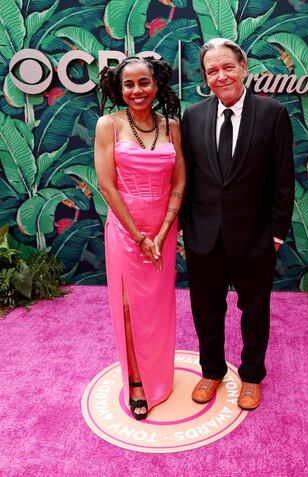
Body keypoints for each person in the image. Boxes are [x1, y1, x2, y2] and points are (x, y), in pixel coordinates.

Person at [181, 38, 294, 410]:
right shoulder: (193, 116)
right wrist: (185, 230)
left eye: (227, 66)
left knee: (255, 310)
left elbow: (283, 180)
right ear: (205, 78)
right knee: (206, 309)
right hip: (203, 236)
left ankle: (251, 375)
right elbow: (187, 178)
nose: (221, 75)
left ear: (243, 68)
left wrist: (276, 235)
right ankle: (211, 371)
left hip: (255, 238)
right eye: (212, 70)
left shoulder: (273, 113)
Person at [94, 57, 185, 420]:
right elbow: (106, 185)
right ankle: (135, 379)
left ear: (156, 84)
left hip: (163, 225)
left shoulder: (172, 126)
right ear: (119, 88)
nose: (137, 91)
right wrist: (139, 236)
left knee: (159, 305)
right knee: (130, 307)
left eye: (143, 82)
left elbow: (179, 183)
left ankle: (159, 376)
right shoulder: (108, 125)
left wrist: (162, 233)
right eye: (129, 84)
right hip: (124, 226)